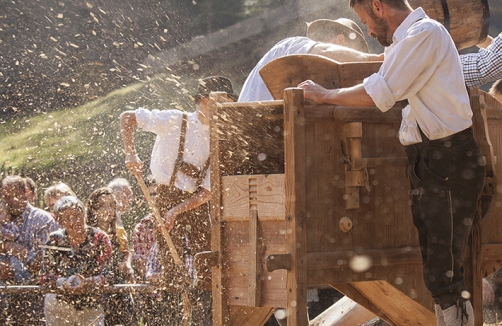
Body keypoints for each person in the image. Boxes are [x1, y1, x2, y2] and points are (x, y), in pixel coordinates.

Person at [298, 0, 485, 325]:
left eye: (365, 21)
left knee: (445, 268)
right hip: (429, 160)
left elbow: (378, 93)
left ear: (378, 6)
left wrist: (325, 95)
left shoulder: (423, 34)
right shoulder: (406, 42)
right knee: (437, 265)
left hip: (450, 159)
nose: (368, 31)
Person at [120, 75, 238, 325]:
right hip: (163, 195)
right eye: (223, 102)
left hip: (195, 202)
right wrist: (131, 154)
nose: (226, 109)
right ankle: (172, 317)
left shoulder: (220, 138)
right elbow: (127, 117)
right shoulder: (174, 119)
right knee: (170, 266)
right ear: (206, 102)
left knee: (207, 258)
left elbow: (206, 192)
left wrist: (177, 211)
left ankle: (206, 315)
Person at [238, 18, 382, 102]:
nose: (355, 62)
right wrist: (375, 60)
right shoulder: (293, 44)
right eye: (353, 55)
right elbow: (323, 52)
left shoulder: (313, 79)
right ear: (340, 41)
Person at [41, 196, 112, 326]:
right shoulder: (54, 240)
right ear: (61, 222)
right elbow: (44, 276)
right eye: (67, 218)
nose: (75, 221)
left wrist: (90, 282)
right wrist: (64, 284)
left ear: (84, 214)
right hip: (60, 304)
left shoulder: (99, 238)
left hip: (91, 302)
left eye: (77, 215)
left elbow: (110, 274)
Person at [0, 175, 59, 324]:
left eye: (14, 195)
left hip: (32, 296)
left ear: (26, 192)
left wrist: (14, 266)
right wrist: (5, 246)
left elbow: (48, 262)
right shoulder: (2, 218)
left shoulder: (43, 220)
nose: (9, 201)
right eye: (5, 196)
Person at [86, 187, 136, 325]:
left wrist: (126, 263)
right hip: (96, 287)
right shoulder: (87, 234)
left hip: (118, 284)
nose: (107, 210)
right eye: (102, 206)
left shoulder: (119, 232)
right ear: (93, 209)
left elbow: (127, 252)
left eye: (111, 206)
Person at [132, 174, 157, 279]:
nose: (157, 197)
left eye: (160, 193)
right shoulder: (142, 228)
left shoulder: (182, 222)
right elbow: (142, 266)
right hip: (155, 288)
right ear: (146, 198)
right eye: (153, 194)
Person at [0, 200, 30, 283]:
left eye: (0, 213)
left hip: (12, 255)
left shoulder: (11, 226)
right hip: (2, 255)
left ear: (7, 217)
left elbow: (13, 235)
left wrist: (1, 231)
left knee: (16, 265)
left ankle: (23, 281)